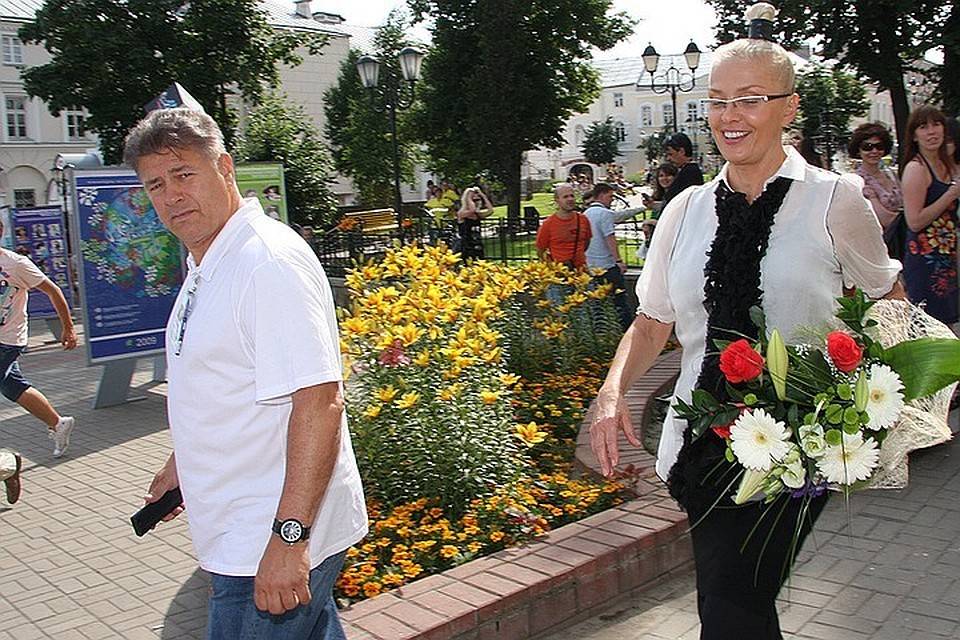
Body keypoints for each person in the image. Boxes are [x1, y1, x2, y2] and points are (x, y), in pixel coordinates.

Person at [588, 4, 903, 639]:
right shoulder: (685, 210)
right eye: (718, 101)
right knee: (739, 604)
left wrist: (874, 391)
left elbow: (885, 292)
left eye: (751, 100)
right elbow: (652, 321)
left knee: (731, 601)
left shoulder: (835, 199)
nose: (730, 117)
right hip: (699, 441)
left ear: (789, 108)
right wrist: (611, 391)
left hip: (800, 446)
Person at [126, 108, 367, 640]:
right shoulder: (209, 261)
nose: (171, 195)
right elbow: (224, 382)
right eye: (156, 185)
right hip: (242, 532)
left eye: (184, 174)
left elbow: (319, 403)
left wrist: (288, 540)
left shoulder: (266, 263)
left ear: (226, 169)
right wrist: (183, 460)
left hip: (264, 541)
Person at [0, 219, 77, 458]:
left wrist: (68, 327)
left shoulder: (16, 264)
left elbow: (53, 291)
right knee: (11, 386)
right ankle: (58, 423)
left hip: (7, 339)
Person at [900, 105, 960, 329]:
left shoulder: (948, 165)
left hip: (948, 261)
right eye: (923, 127)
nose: (931, 132)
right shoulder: (916, 169)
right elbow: (914, 221)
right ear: (914, 136)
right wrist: (951, 194)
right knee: (928, 327)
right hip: (925, 263)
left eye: (936, 125)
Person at [584, 183, 643, 329]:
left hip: (591, 266)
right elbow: (610, 238)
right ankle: (627, 331)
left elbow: (619, 216)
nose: (611, 200)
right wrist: (618, 260)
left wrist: (642, 208)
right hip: (607, 266)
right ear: (602, 195)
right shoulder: (604, 214)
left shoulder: (586, 214)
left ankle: (601, 331)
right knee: (620, 301)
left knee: (597, 303)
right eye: (610, 196)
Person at [849, 122, 904, 259]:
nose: (874, 151)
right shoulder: (856, 180)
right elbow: (882, 218)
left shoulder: (891, 174)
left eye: (879, 146)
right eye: (867, 147)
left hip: (898, 241)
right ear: (858, 150)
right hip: (875, 246)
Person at [536, 183, 592, 270]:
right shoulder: (548, 224)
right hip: (559, 273)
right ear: (557, 200)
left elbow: (586, 243)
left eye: (572, 196)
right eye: (565, 197)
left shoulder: (583, 219)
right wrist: (552, 267)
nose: (570, 199)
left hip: (581, 271)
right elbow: (540, 251)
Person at [661, 132, 704, 207]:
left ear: (681, 151)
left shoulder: (689, 172)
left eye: (670, 154)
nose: (668, 159)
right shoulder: (686, 170)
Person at [456, 186, 493, 260]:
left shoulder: (478, 214)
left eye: (477, 200)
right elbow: (471, 210)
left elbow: (490, 210)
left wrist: (482, 195)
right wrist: (469, 196)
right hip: (466, 244)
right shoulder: (461, 213)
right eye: (473, 200)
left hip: (477, 243)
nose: (475, 202)